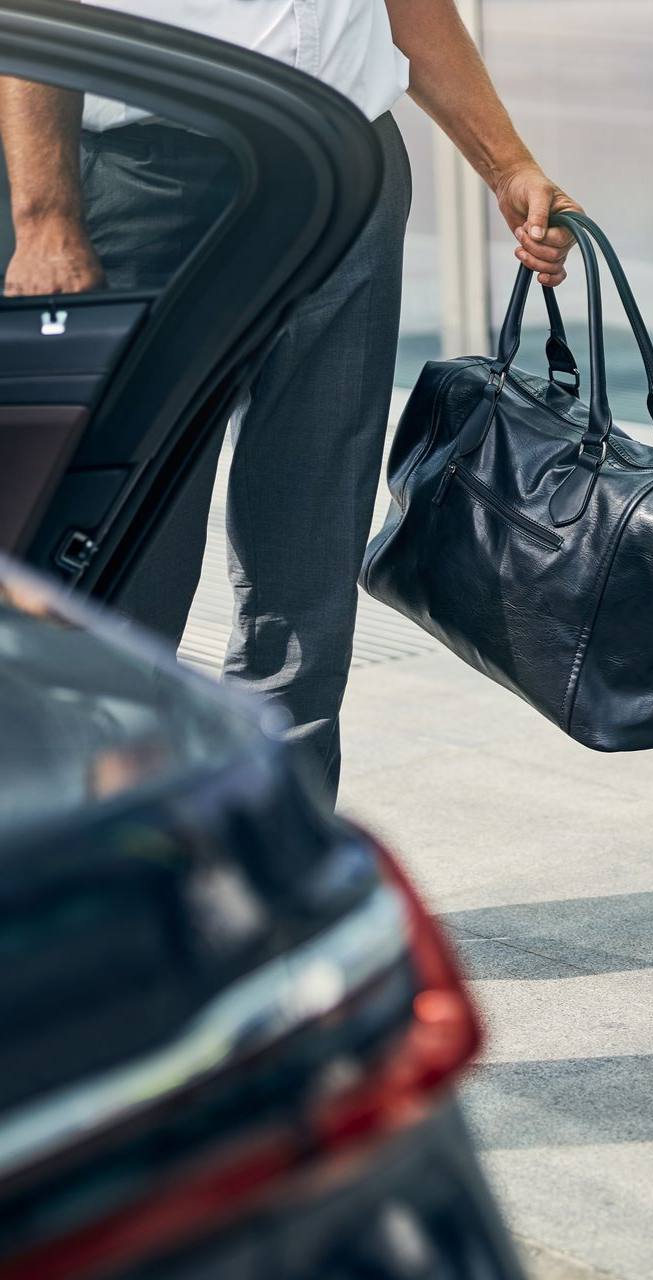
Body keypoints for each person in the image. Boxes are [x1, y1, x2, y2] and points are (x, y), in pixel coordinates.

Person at [0, 0, 580, 805]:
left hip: (348, 177)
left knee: (311, 560)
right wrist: (44, 218)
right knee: (123, 570)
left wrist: (507, 163)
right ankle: (113, 852)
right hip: (150, 178)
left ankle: (280, 840)